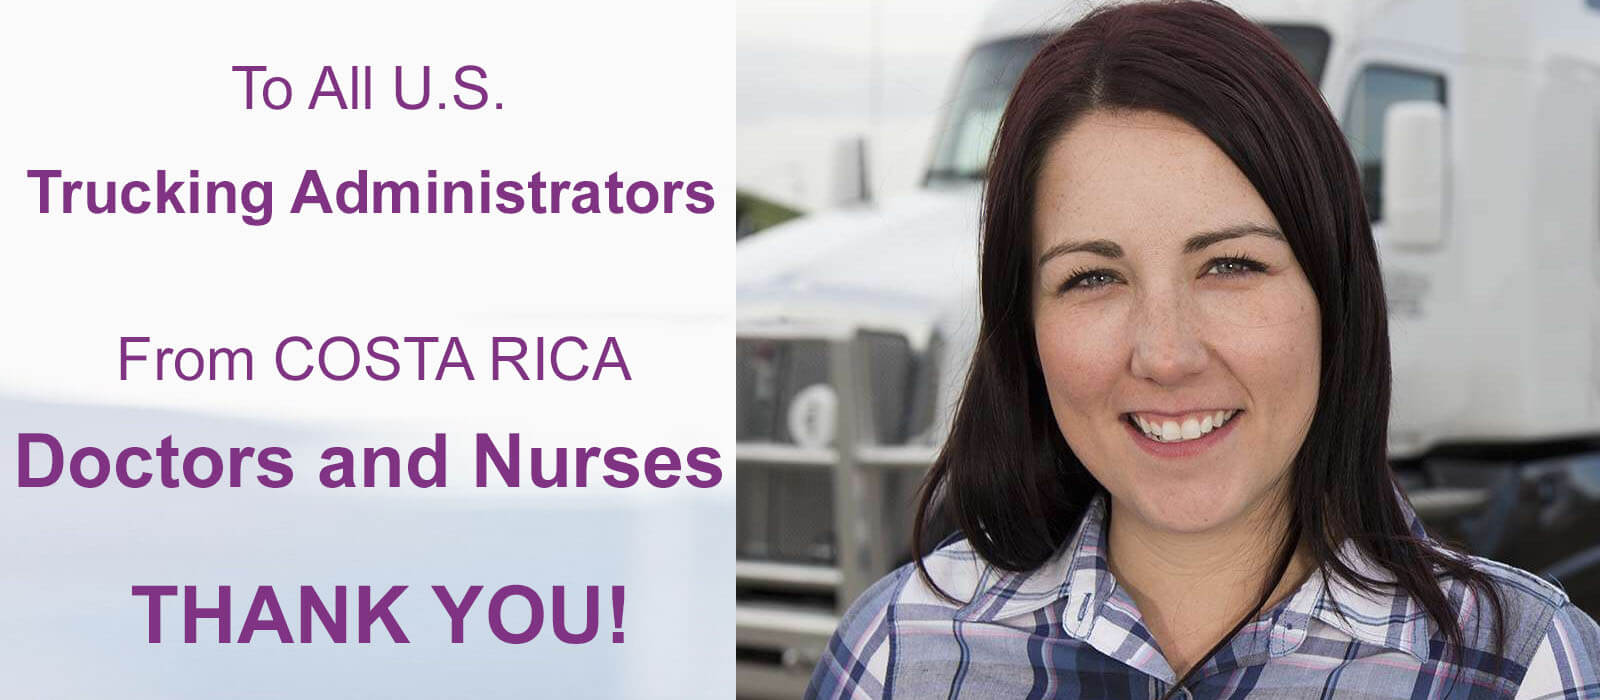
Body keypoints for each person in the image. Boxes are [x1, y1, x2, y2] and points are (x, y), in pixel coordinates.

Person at [805, 1, 1600, 698]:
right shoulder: (896, 655)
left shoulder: (1522, 671)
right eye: (1091, 277)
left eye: (1231, 265)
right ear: (1025, 326)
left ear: (1335, 294)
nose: (1166, 354)